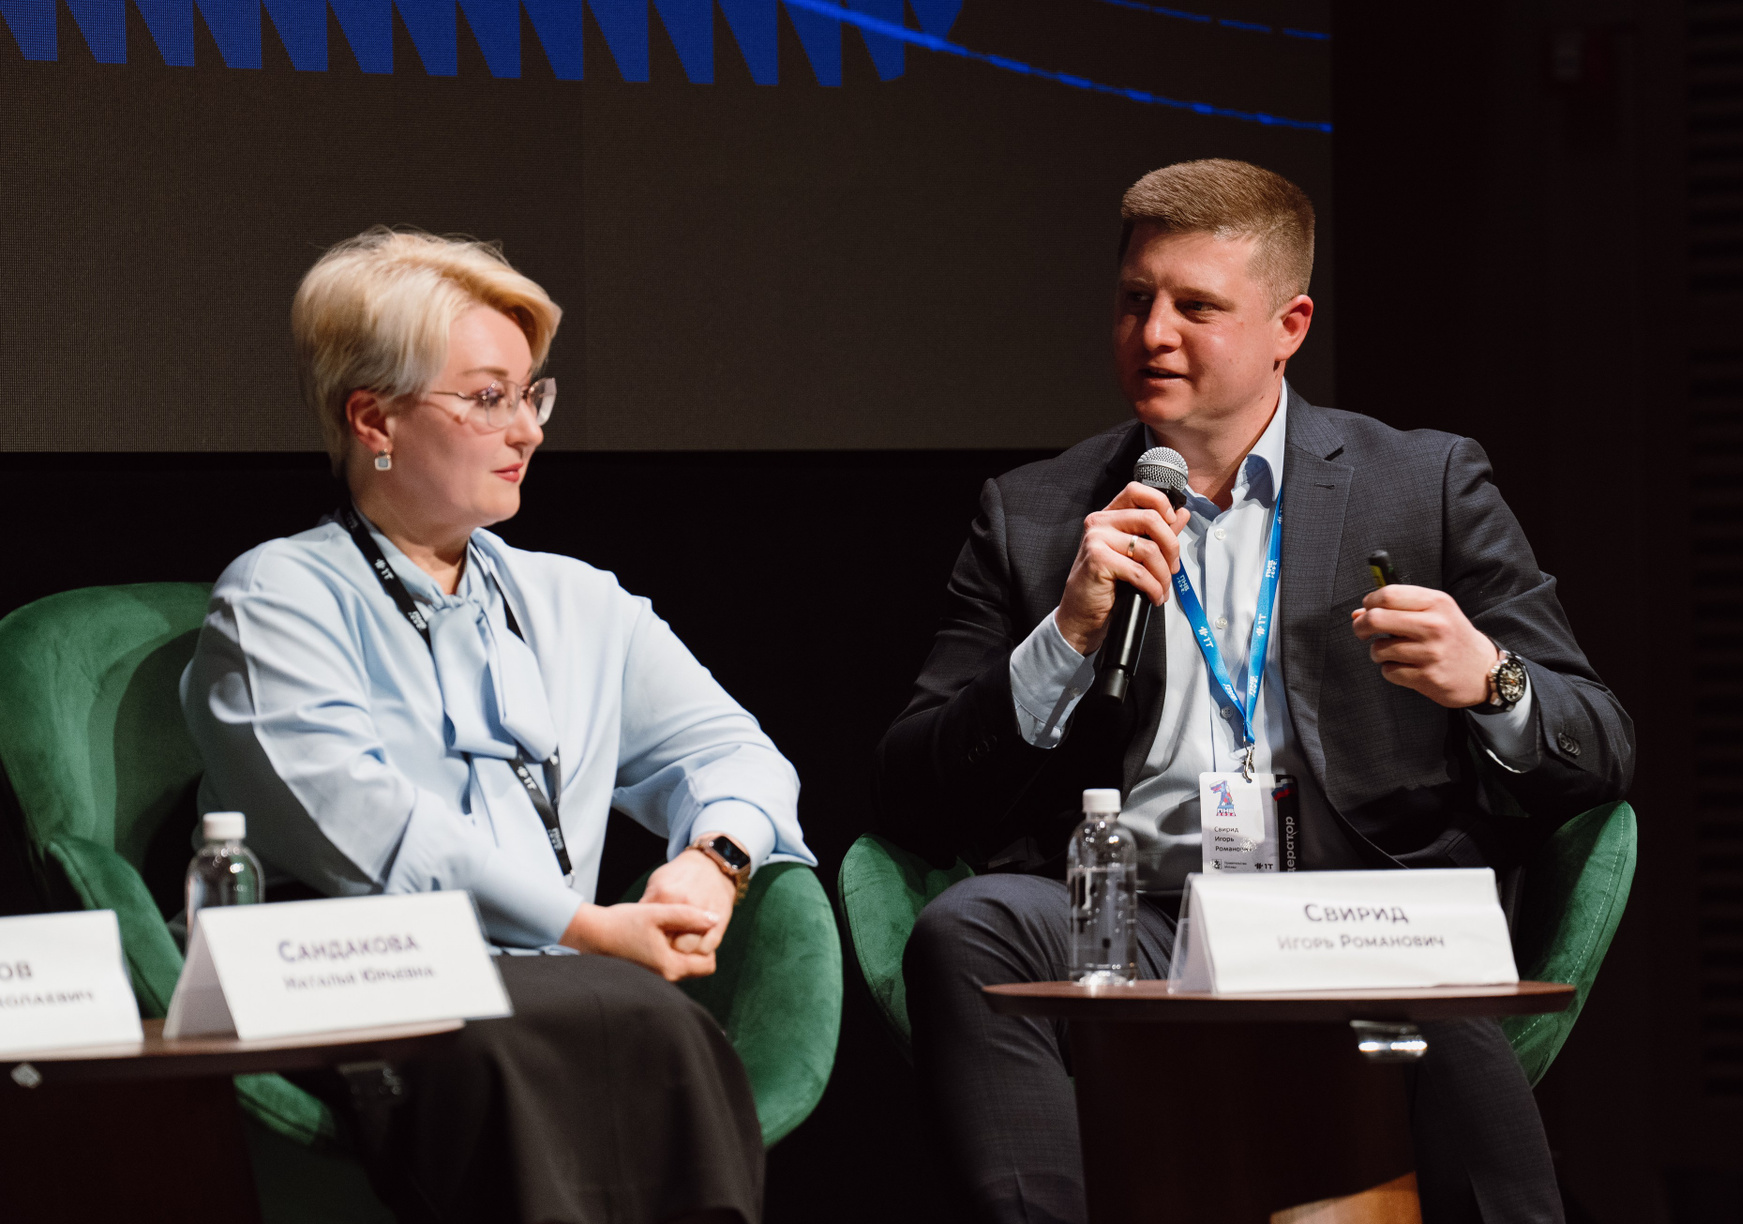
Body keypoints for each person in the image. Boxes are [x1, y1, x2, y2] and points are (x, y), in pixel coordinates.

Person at [875, 160, 1634, 1224]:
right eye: (1134, 300)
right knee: (970, 926)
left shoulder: (1423, 484)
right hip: (1139, 917)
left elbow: (1601, 745)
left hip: (1358, 917)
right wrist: (1067, 634)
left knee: (1440, 1015)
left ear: (1290, 326)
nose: (1153, 334)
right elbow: (910, 789)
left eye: (1196, 307)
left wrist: (1488, 679)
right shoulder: (1037, 513)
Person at [182, 228, 814, 1224]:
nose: (528, 431)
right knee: (585, 1020)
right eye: (487, 399)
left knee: (633, 1018)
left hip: (565, 990)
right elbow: (372, 825)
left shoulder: (578, 602)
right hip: (371, 984)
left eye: (531, 396)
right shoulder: (278, 599)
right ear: (374, 419)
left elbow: (734, 752)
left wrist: (717, 857)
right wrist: (588, 928)